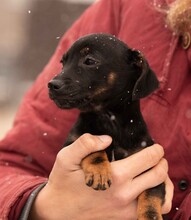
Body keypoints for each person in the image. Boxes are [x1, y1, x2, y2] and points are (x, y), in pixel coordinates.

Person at [0, 0, 190, 219]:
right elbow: (12, 163)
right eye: (66, 64)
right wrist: (43, 206)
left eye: (89, 62)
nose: (57, 80)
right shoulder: (128, 7)